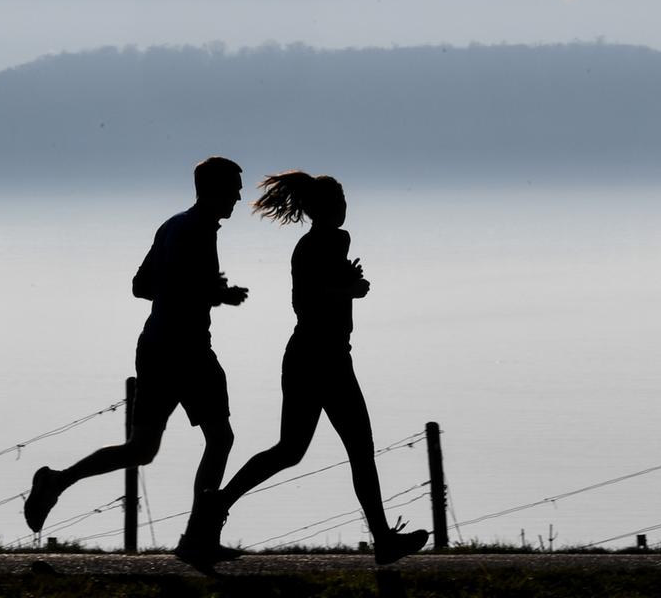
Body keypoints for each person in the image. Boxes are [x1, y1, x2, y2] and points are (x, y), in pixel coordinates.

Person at [23, 157, 249, 568]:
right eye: (234, 186)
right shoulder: (195, 230)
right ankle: (198, 537)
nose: (239, 195)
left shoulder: (172, 225)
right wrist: (216, 294)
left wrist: (204, 290)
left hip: (156, 347)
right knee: (220, 439)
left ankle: (57, 481)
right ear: (213, 188)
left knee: (142, 449)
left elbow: (140, 286)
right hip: (188, 350)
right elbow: (177, 289)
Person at [211, 170, 428, 565]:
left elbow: (324, 287)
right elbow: (306, 300)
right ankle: (383, 542)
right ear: (328, 208)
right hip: (321, 357)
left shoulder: (329, 243)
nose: (346, 208)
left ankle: (220, 502)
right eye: (342, 202)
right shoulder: (316, 245)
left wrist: (346, 282)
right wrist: (348, 288)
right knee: (351, 450)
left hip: (314, 356)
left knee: (292, 450)